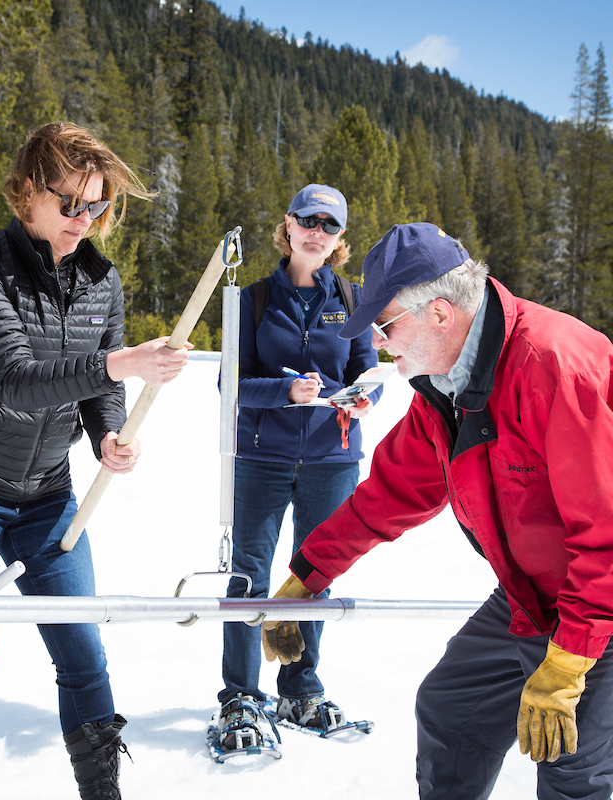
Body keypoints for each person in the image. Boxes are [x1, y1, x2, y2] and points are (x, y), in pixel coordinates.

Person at [261, 222, 613, 798]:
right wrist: (306, 576)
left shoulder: (552, 366)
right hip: (535, 584)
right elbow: (392, 492)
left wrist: (568, 663)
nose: (379, 343)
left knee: (571, 761)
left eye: (386, 324)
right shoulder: (446, 383)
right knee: (452, 710)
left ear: (441, 313)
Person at [0, 122, 191, 800]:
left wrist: (108, 435)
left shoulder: (100, 280)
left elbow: (101, 389)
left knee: (83, 651)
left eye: (99, 206)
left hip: (47, 493)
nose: (85, 221)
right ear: (27, 192)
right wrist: (121, 360)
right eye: (71, 204)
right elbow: (15, 379)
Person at [215, 184, 381, 757]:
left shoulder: (355, 300)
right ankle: (240, 695)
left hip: (332, 461)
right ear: (287, 225)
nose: (316, 232)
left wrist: (359, 399)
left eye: (328, 225)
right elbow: (228, 386)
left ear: (338, 239)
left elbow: (368, 377)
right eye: (307, 220)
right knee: (248, 576)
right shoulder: (253, 299)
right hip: (261, 458)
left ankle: (300, 689)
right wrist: (286, 389)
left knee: (315, 574)